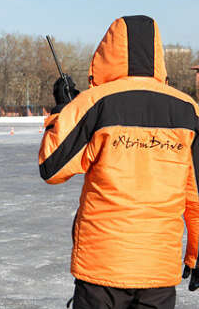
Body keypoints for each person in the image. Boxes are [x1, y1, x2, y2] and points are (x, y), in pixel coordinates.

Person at [39, 15, 199, 308]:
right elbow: (197, 195)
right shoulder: (189, 111)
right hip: (158, 270)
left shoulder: (95, 102)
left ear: (108, 52)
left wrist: (64, 109)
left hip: (101, 266)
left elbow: (52, 167)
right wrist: (196, 254)